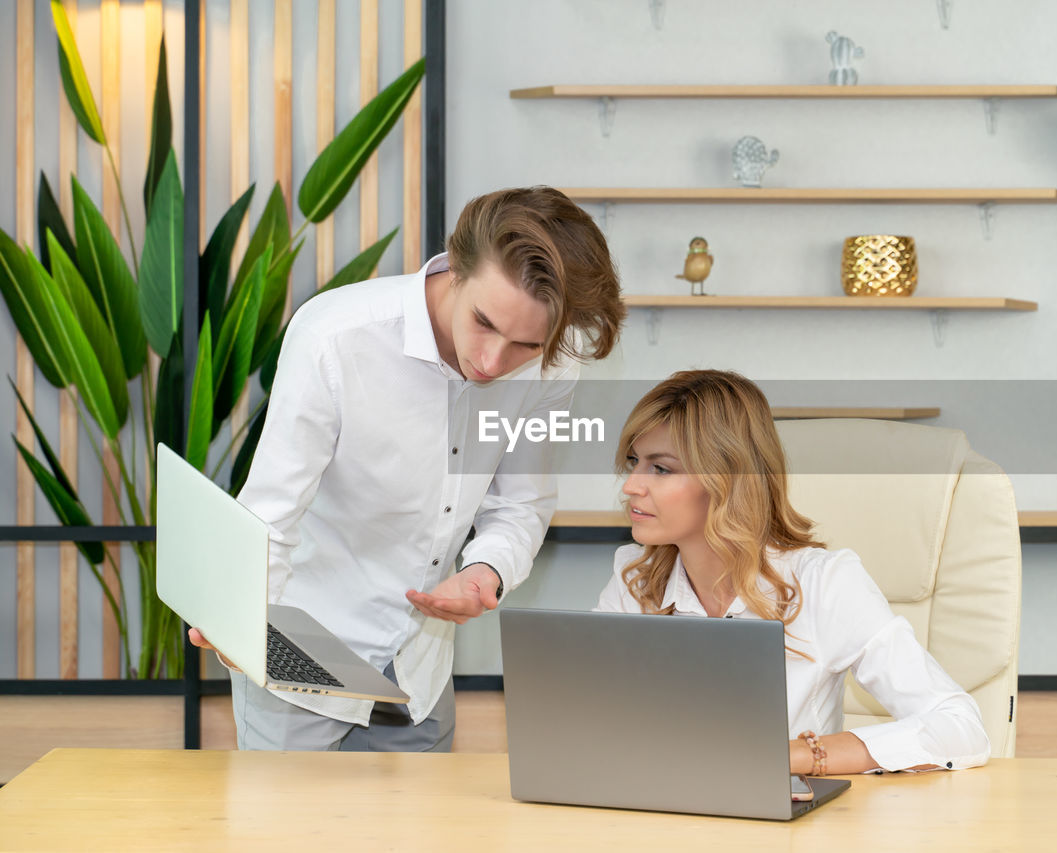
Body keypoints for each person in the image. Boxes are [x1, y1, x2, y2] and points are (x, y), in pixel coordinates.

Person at [192, 186, 626, 752]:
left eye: (524, 344)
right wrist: (242, 625)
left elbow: (520, 503)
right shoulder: (335, 337)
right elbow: (271, 511)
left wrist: (486, 573)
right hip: (298, 655)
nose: (493, 362)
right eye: (484, 323)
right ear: (458, 268)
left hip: (419, 671)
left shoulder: (552, 368)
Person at [594, 370, 990, 776]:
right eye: (633, 462)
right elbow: (588, 716)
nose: (631, 486)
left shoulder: (825, 583)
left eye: (660, 469)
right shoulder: (635, 577)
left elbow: (960, 727)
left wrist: (797, 756)